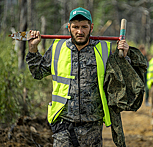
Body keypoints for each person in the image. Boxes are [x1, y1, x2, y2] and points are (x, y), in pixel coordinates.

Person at [26, 7, 132, 146]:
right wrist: (33, 49)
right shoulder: (57, 48)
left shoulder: (103, 50)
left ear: (91, 27)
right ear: (69, 27)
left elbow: (122, 78)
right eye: (75, 27)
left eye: (84, 27)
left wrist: (124, 56)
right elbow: (38, 73)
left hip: (92, 127)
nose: (80, 32)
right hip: (63, 125)